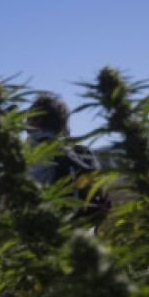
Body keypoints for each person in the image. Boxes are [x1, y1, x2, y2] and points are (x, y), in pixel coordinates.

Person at [27, 92, 111, 226]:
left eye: (29, 118)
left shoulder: (36, 152)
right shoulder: (80, 154)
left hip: (47, 231)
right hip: (82, 232)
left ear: (37, 121)